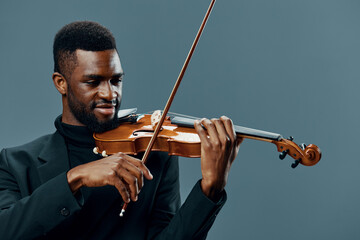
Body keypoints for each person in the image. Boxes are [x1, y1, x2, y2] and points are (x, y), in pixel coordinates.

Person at [0, 21, 242, 240]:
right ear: (61, 83)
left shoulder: (154, 153)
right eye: (93, 82)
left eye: (116, 80)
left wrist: (210, 188)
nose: (109, 94)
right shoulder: (14, 163)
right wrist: (76, 178)